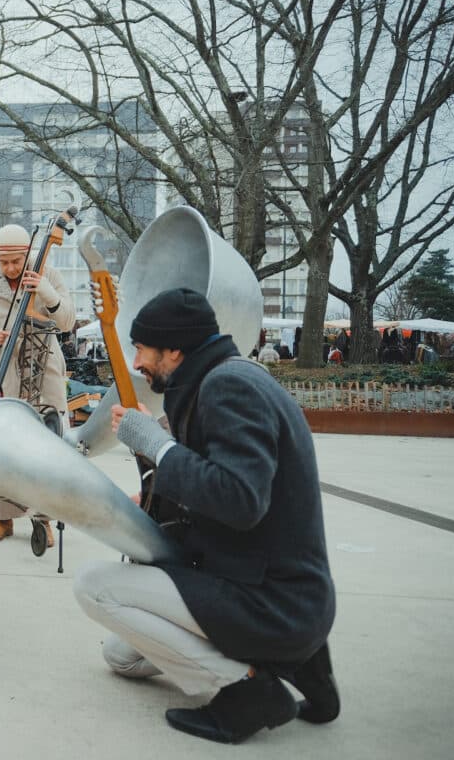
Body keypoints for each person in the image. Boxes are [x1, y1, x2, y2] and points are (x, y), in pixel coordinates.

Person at [72, 288, 339, 744]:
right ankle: (300, 665)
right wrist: (155, 477)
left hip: (271, 603)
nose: (136, 363)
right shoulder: (226, 378)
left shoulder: (229, 388)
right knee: (122, 656)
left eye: (142, 348)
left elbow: (240, 500)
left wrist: (157, 445)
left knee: (93, 587)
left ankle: (248, 693)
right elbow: (223, 475)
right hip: (282, 594)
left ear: (175, 350)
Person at [0, 224, 74, 548]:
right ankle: (2, 518)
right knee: (4, 448)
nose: (11, 268)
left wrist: (45, 290)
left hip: (45, 369)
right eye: (4, 262)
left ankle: (43, 519)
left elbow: (67, 322)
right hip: (7, 373)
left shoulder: (50, 275)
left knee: (46, 444)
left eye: (16, 261)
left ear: (27, 254)